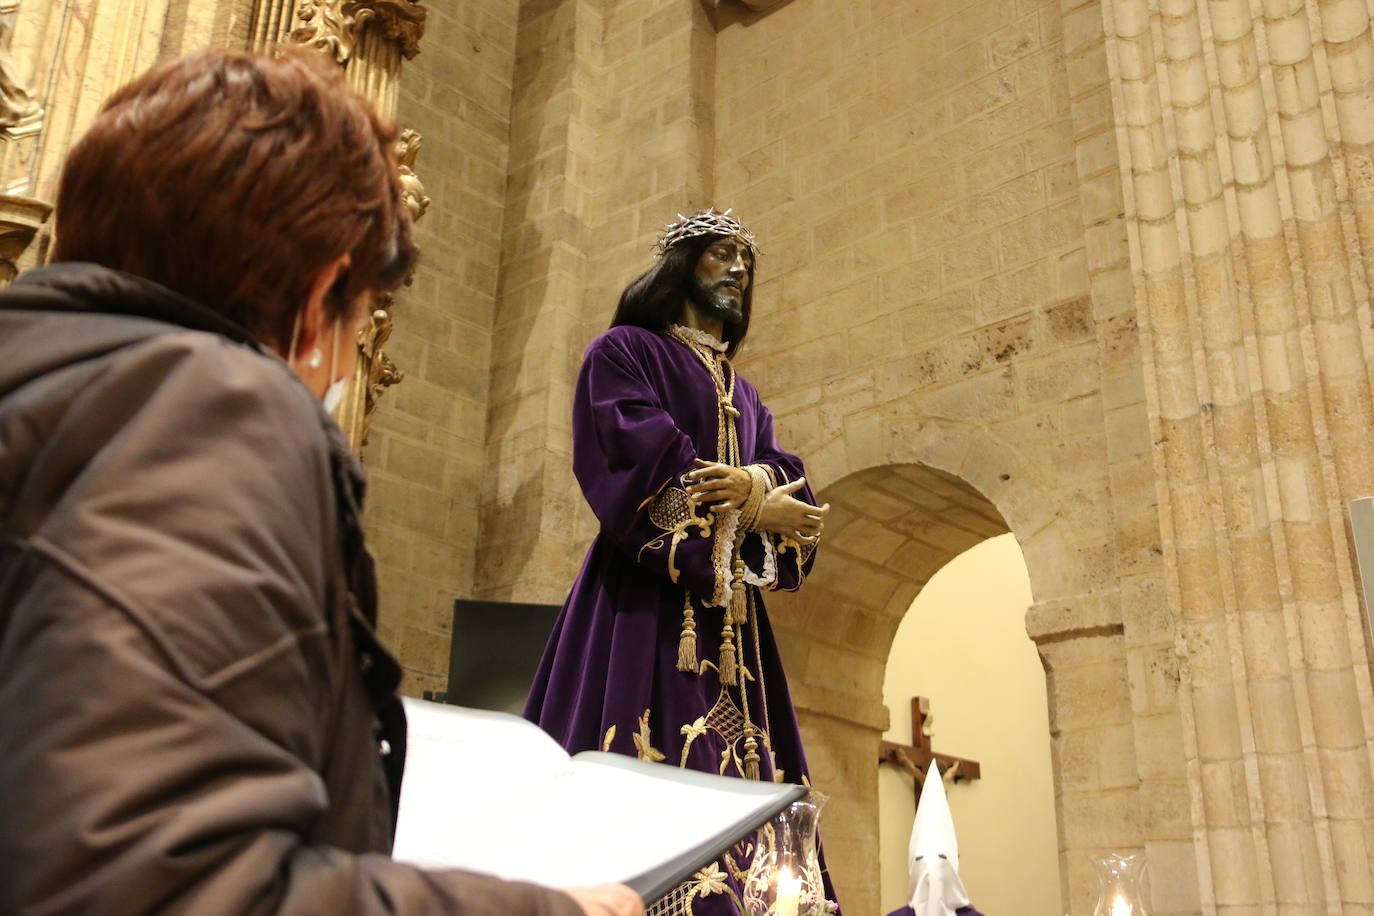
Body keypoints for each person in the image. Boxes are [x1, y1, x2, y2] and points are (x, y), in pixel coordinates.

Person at [0, 48, 639, 916]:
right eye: (366, 318)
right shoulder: (207, 415)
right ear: (323, 291)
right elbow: (166, 884)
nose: (348, 363)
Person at [524, 209, 838, 914]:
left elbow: (787, 479)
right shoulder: (624, 351)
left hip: (734, 625)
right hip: (642, 604)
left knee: (756, 784)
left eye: (746, 262)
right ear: (681, 266)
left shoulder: (745, 391)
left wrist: (759, 490)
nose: (738, 271)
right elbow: (641, 452)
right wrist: (754, 502)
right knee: (644, 749)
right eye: (721, 255)